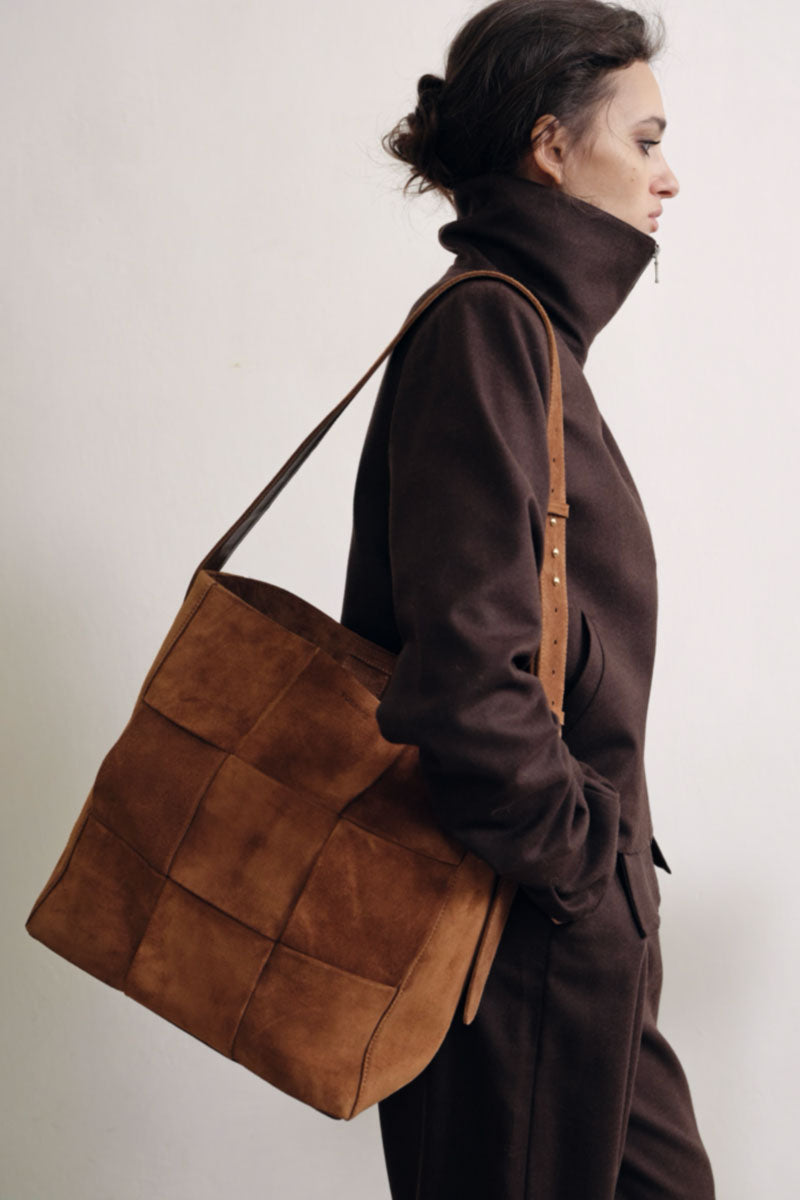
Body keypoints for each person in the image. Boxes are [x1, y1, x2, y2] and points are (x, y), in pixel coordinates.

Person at [340, 1, 716, 1196]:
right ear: (550, 148)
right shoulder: (488, 330)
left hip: (567, 942)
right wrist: (581, 876)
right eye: (643, 141)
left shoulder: (529, 339)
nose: (666, 176)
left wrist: (602, 896)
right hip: (514, 949)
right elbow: (464, 683)